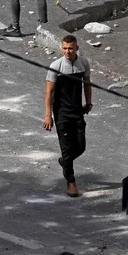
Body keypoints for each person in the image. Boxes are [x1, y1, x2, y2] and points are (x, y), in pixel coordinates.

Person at [44, 35, 92, 197]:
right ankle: (71, 182)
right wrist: (48, 116)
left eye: (70, 48)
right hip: (62, 114)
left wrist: (88, 102)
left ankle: (64, 161)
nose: (67, 52)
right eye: (64, 48)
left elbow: (87, 84)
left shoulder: (83, 63)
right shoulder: (55, 66)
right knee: (66, 149)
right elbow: (49, 93)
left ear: (77, 48)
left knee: (80, 147)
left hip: (77, 112)